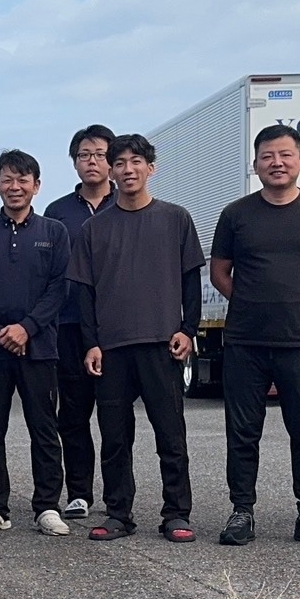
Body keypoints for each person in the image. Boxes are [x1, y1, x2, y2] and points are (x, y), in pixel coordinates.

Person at [209, 124, 300, 548]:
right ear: (255, 165)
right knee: (242, 432)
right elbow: (220, 272)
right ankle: (242, 511)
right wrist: (253, 302)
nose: (277, 163)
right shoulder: (236, 214)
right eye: (267, 156)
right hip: (245, 341)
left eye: (286, 155)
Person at [67, 134, 203, 543]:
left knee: (170, 435)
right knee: (114, 437)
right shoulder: (94, 228)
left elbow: (190, 280)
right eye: (120, 163)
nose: (128, 169)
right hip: (112, 348)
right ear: (111, 171)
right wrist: (91, 342)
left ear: (151, 168)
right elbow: (84, 292)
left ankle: (176, 513)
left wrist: (188, 330)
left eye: (136, 161)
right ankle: (118, 513)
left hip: (162, 342)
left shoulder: (175, 218)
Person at [0, 150, 71, 536]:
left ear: (36, 186)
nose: (15, 186)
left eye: (23, 180)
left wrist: (27, 328)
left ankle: (47, 506)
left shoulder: (54, 232)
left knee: (44, 427)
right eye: (7, 179)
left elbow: (60, 287)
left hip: (39, 347)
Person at [43, 124, 117, 521]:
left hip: (117, 327)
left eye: (100, 154)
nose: (93, 162)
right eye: (84, 155)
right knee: (73, 415)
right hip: (70, 326)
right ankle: (79, 492)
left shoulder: (126, 204)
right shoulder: (58, 213)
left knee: (115, 415)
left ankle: (118, 495)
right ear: (74, 163)